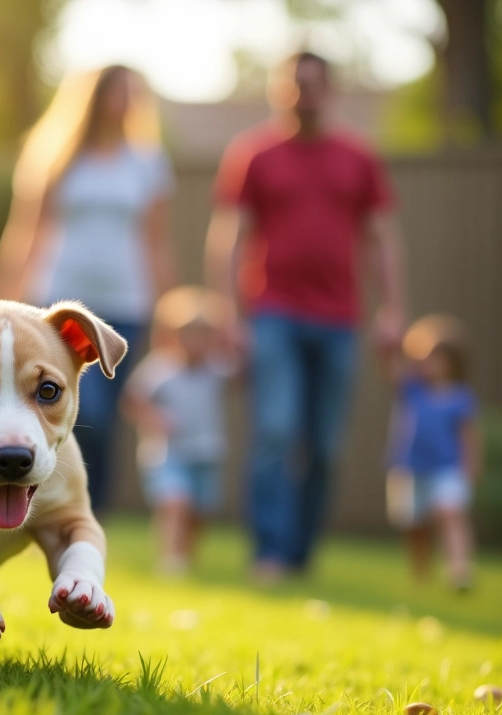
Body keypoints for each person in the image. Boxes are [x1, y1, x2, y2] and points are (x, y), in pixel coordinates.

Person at [205, 51, 406, 581]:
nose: (304, 94)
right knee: (274, 431)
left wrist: (393, 310)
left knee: (323, 446)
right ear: (278, 90)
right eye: (294, 84)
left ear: (330, 90)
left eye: (314, 84)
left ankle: (300, 553)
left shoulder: (358, 158)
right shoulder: (255, 154)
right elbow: (230, 237)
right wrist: (230, 315)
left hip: (339, 319)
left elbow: (382, 239)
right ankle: (270, 552)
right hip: (272, 313)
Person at [0, 64, 178, 513]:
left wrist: (170, 310)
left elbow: (156, 241)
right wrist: (3, 301)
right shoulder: (55, 157)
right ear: (95, 98)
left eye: (134, 94)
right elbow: (26, 234)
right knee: (79, 410)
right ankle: (48, 502)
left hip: (125, 306)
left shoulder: (148, 163)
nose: (127, 102)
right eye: (119, 93)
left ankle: (91, 515)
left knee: (104, 421)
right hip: (57, 304)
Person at [122, 286, 236, 575]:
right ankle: (171, 560)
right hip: (168, 452)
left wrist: (231, 335)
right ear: (171, 335)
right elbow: (132, 399)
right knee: (175, 502)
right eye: (187, 334)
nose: (194, 342)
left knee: (201, 511)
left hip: (207, 452)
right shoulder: (160, 368)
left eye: (202, 335)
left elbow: (244, 373)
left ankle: (187, 554)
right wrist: (153, 417)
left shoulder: (216, 369)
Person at [385, 314, 481, 590]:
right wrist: (389, 344)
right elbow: (389, 370)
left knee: (451, 514)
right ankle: (422, 571)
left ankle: (460, 570)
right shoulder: (412, 390)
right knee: (414, 525)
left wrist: (470, 468)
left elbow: (470, 438)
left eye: (438, 358)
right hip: (410, 468)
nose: (431, 365)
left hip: (448, 469)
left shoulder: (461, 398)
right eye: (425, 358)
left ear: (453, 362)